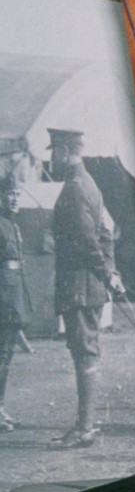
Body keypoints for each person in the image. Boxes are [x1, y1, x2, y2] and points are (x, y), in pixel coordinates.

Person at [48, 129, 118, 449]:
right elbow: (107, 232)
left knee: (84, 353)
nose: (52, 158)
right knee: (85, 351)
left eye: (54, 152)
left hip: (79, 285)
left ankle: (85, 428)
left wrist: (106, 274)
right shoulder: (89, 184)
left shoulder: (76, 188)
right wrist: (111, 271)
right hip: (88, 286)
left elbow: (89, 240)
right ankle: (84, 424)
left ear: (64, 151)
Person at [0, 174, 26, 433]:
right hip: (2, 303)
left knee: (5, 356)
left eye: (18, 194)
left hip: (11, 303)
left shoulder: (13, 225)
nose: (15, 198)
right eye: (10, 194)